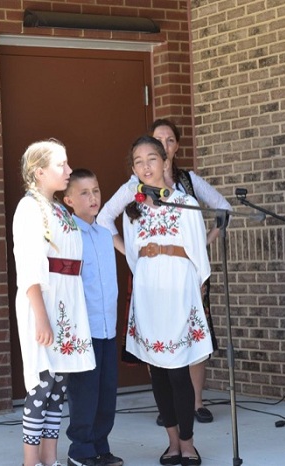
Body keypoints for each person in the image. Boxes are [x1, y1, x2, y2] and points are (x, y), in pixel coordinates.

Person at [96, 119, 231, 425]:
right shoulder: (133, 193)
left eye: (167, 143)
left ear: (169, 154)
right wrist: (133, 254)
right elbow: (105, 219)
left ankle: (193, 410)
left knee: (186, 348)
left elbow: (220, 214)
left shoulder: (186, 189)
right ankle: (168, 415)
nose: (147, 165)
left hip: (182, 278)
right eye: (139, 161)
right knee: (157, 349)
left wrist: (201, 246)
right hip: (150, 279)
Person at [122, 135, 212, 466]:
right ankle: (172, 443)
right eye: (138, 161)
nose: (146, 166)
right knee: (157, 371)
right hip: (148, 293)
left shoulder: (185, 203)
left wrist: (197, 292)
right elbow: (133, 257)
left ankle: (188, 443)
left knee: (178, 371)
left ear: (164, 162)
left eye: (152, 159)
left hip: (179, 291)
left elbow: (199, 255)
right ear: (133, 169)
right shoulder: (132, 210)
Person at [12, 139, 96, 466]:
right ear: (39, 171)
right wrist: (41, 317)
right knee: (42, 385)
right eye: (61, 164)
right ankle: (30, 462)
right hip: (45, 303)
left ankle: (50, 460)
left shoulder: (59, 208)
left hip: (66, 302)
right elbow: (29, 266)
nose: (68, 170)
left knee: (59, 386)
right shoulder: (29, 208)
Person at [62, 169, 123, 466]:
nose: (93, 197)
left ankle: (101, 445)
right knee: (84, 391)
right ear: (69, 200)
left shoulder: (104, 235)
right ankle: (81, 450)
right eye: (84, 193)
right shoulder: (68, 236)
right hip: (83, 329)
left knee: (106, 391)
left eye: (96, 190)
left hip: (107, 327)